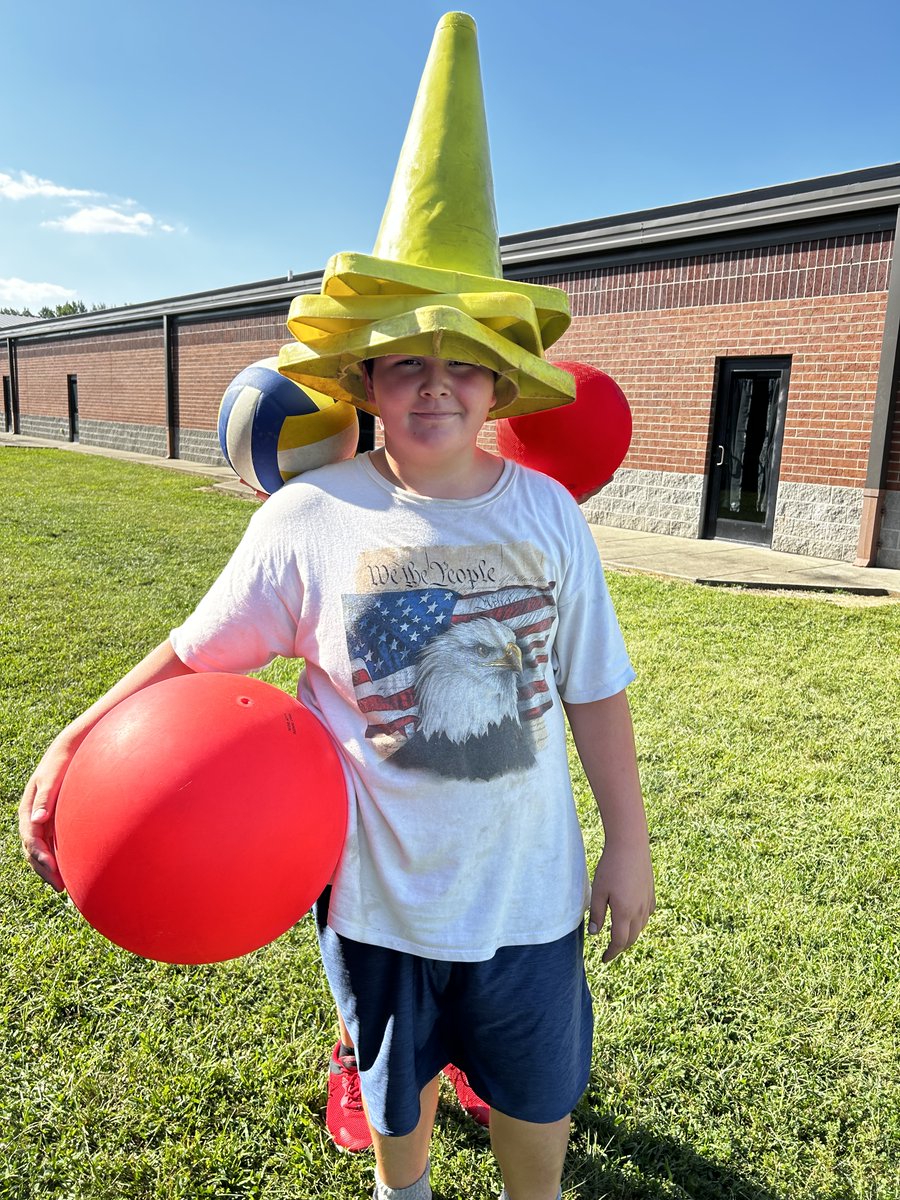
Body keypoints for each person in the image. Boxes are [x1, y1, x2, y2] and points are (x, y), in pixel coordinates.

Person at [20, 14, 656, 1200]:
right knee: (397, 1105)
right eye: (406, 362)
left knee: (535, 1116)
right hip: (375, 903)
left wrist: (629, 841)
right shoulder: (308, 522)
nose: (434, 385)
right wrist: (74, 738)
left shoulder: (546, 516)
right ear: (365, 378)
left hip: (525, 901)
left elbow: (592, 686)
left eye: (462, 363)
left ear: (497, 383)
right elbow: (194, 657)